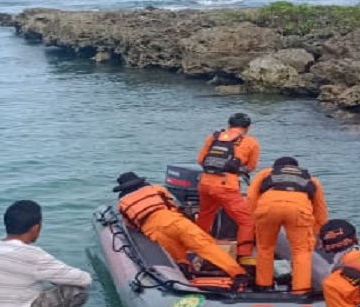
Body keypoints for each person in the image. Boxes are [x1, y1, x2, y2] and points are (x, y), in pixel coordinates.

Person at [113, 171, 248, 285]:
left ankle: (186, 277)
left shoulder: (123, 203)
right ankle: (238, 274)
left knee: (177, 257)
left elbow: (131, 225)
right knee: (206, 246)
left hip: (153, 230)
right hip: (174, 221)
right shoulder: (156, 189)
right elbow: (172, 205)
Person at [247, 156, 328, 293]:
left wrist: (252, 222)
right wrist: (318, 233)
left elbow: (251, 197)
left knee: (265, 248)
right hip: (299, 211)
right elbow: (320, 210)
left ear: (276, 167)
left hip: (268, 208)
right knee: (301, 252)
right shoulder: (312, 179)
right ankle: (300, 290)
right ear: (296, 167)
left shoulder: (266, 173)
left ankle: (264, 285)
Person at [195, 113, 260, 268]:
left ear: (229, 124)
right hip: (226, 185)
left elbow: (200, 160)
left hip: (205, 183)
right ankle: (243, 256)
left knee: (205, 216)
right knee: (246, 221)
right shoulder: (250, 142)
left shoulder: (214, 137)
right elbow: (251, 167)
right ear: (248, 128)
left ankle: (196, 246)